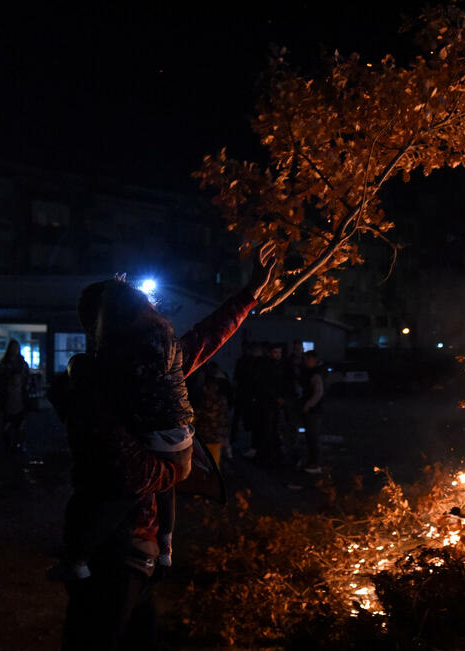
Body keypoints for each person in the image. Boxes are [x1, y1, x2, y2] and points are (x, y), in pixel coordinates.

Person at [51, 243, 277, 650]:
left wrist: (250, 294)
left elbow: (203, 339)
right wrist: (174, 470)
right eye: (142, 313)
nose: (152, 319)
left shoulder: (151, 371)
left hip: (143, 551)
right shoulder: (93, 388)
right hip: (113, 555)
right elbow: (128, 473)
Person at [51, 278, 198, 581]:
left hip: (162, 443)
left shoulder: (139, 346)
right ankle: (165, 545)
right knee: (152, 488)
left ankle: (80, 557)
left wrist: (80, 373)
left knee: (119, 492)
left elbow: (125, 391)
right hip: (176, 437)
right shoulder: (159, 336)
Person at [251, 343, 287, 467]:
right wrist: (275, 396)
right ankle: (266, 455)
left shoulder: (280, 366)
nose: (278, 355)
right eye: (276, 353)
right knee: (266, 428)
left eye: (279, 353)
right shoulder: (265, 366)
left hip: (275, 403)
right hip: (266, 402)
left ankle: (271, 454)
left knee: (274, 428)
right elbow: (264, 384)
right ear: (270, 353)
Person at [192, 362, 232, 468]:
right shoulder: (221, 400)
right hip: (215, 436)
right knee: (214, 463)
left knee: (205, 463)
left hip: (205, 437)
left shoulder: (202, 401)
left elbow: (195, 418)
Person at [0, 338, 30, 453]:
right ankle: (9, 444)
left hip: (20, 395)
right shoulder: (6, 363)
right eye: (13, 348)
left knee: (19, 423)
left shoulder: (21, 362)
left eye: (16, 348)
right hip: (8, 395)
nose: (15, 350)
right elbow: (0, 378)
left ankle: (18, 443)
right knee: (8, 422)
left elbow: (27, 377)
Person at [233, 342, 263, 458]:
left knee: (246, 421)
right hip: (248, 396)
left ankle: (238, 442)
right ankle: (240, 443)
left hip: (248, 396)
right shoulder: (251, 363)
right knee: (247, 421)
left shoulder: (251, 363)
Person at [298, 350, 324, 474]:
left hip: (314, 410)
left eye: (309, 359)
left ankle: (316, 464)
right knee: (310, 437)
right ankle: (312, 462)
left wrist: (308, 405)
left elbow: (318, 392)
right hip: (311, 409)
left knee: (313, 437)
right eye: (306, 359)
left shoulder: (316, 374)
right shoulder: (309, 373)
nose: (306, 361)